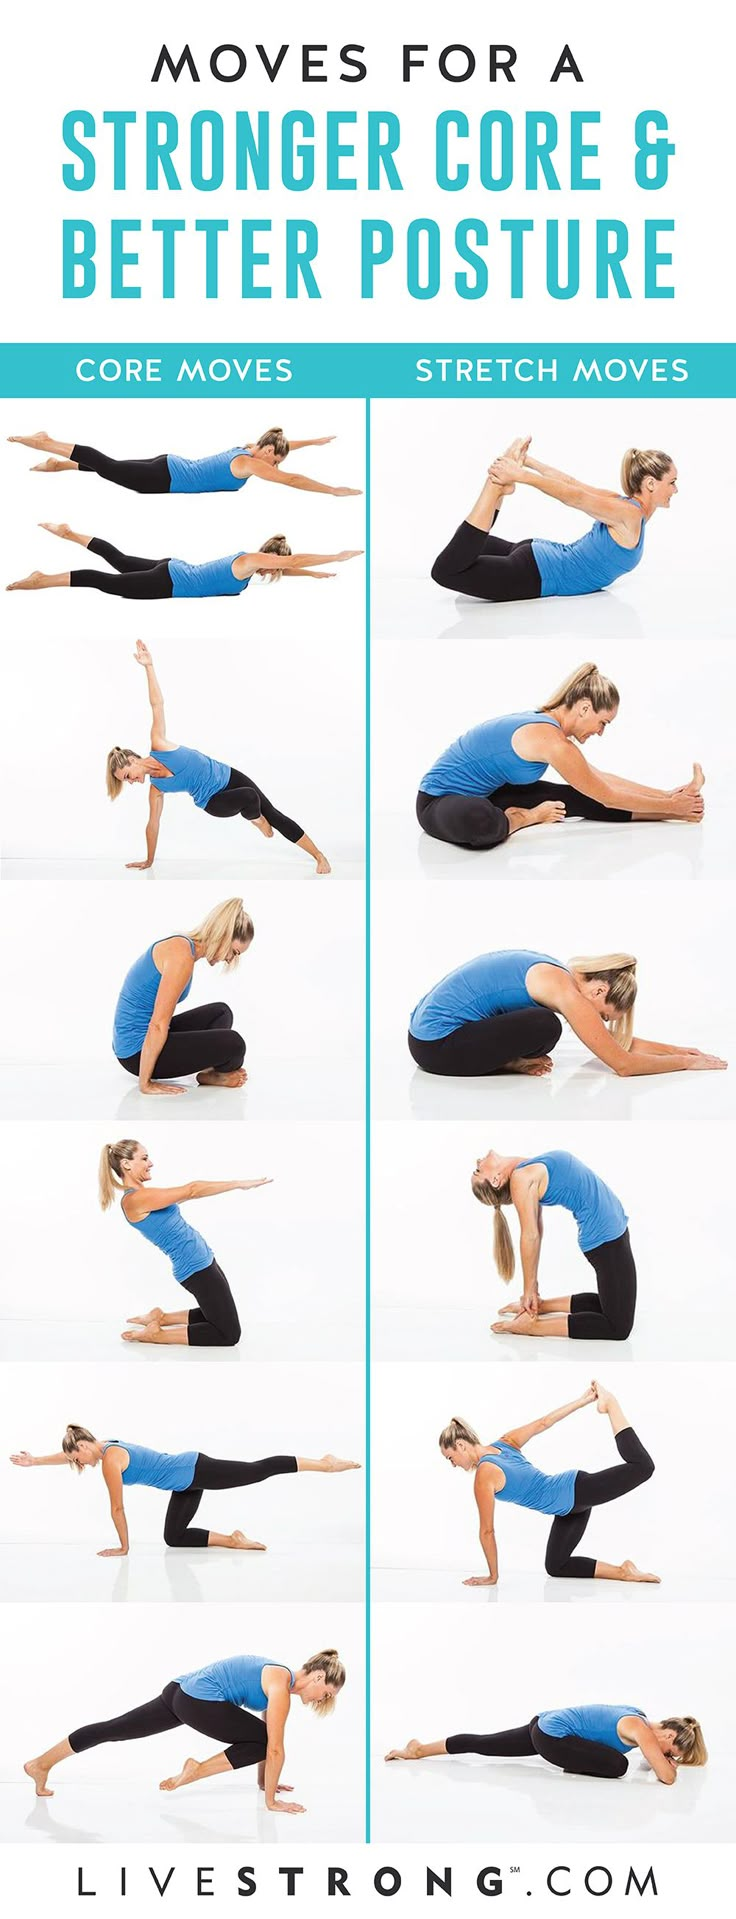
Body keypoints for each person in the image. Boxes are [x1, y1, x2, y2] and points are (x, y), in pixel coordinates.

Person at [416, 662, 704, 850]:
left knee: (577, 797)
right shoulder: (551, 741)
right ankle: (525, 818)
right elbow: (608, 796)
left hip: (491, 793)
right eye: (603, 722)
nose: (601, 732)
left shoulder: (552, 731)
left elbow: (599, 781)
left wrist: (669, 799)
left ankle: (674, 811)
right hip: (438, 801)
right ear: (584, 708)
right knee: (481, 822)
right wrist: (673, 805)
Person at [24, 1649, 346, 1813]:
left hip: (177, 1692)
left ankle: (40, 1763)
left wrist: (264, 1783)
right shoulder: (279, 1685)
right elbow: (273, 1747)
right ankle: (196, 1770)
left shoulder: (278, 1679)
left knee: (115, 1728)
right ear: (317, 1678)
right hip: (195, 1701)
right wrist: (272, 1802)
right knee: (266, 1741)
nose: (323, 1700)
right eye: (327, 1693)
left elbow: (263, 1736)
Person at [108, 642, 331, 875]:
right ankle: (256, 819)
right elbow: (153, 825)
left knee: (273, 813)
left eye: (127, 776)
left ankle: (318, 855)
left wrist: (149, 666)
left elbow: (157, 704)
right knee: (250, 798)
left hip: (227, 775)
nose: (131, 781)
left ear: (132, 760)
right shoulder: (156, 788)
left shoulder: (159, 744)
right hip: (213, 801)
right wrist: (149, 860)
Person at [439, 1380, 657, 1584]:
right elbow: (544, 1422)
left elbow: (487, 1531)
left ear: (461, 1445)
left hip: (573, 1492)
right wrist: (581, 1401)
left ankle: (611, 1404)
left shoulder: (484, 1475)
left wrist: (492, 1576)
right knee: (556, 1565)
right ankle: (624, 1571)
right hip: (567, 1507)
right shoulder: (504, 1443)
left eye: (451, 1457)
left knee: (643, 1467)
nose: (453, 1464)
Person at [11, 1426, 359, 1554]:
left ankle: (324, 1463)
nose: (80, 1464)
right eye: (76, 1460)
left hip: (195, 1469)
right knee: (174, 1537)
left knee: (257, 1471)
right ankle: (234, 1540)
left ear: (86, 1444)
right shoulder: (100, 1444)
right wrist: (36, 1461)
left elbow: (117, 1508)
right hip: (184, 1483)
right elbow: (66, 1452)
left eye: (79, 1458)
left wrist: (123, 1546)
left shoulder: (110, 1461)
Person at [407, 948, 727, 1079]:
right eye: (603, 1015)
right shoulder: (565, 992)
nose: (599, 1024)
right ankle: (507, 1063)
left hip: (426, 1037)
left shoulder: (557, 973)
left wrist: (676, 1049)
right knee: (545, 1026)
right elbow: (622, 1064)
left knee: (543, 1029)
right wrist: (685, 1064)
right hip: (438, 1047)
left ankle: (507, 1062)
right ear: (599, 991)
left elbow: (612, 1042)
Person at [430, 437, 675, 604]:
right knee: (446, 571)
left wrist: (529, 463)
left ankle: (500, 488)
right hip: (538, 574)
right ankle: (494, 488)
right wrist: (522, 474)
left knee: (462, 552)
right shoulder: (630, 514)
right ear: (651, 483)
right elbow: (575, 496)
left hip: (537, 555)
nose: (675, 489)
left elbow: (572, 484)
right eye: (672, 482)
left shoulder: (622, 506)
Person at [99, 1137, 265, 1346]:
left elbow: (188, 1195)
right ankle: (156, 1335)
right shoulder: (135, 1200)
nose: (150, 1163)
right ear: (126, 1164)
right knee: (228, 1334)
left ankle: (162, 1318)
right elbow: (192, 1189)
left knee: (216, 1316)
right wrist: (238, 1184)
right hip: (195, 1268)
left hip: (203, 1260)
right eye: (144, 1158)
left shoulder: (144, 1195)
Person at [472, 1145, 636, 1340]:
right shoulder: (521, 1179)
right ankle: (533, 1326)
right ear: (496, 1180)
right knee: (617, 1327)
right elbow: (530, 1235)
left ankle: (543, 1307)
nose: (478, 1162)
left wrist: (531, 1298)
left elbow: (537, 1230)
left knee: (611, 1306)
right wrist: (529, 1290)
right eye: (478, 1170)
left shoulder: (523, 1169)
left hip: (609, 1231)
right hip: (605, 1238)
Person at [112, 896, 252, 1094]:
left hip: (142, 1039)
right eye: (234, 952)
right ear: (224, 936)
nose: (230, 959)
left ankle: (207, 1074)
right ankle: (210, 1074)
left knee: (221, 1012)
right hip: (136, 1052)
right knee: (234, 1044)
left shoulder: (184, 947)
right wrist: (145, 1084)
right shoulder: (181, 957)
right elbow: (158, 1024)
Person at [7, 524, 363, 599]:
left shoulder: (253, 566)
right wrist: (336, 556)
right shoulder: (251, 560)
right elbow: (290, 560)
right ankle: (42, 579)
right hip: (168, 583)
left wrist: (313, 575)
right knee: (107, 582)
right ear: (270, 557)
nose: (275, 572)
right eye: (277, 566)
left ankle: (72, 534)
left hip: (173, 568)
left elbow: (290, 566)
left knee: (118, 559)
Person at [8, 425, 362, 499]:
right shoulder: (252, 465)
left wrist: (311, 442)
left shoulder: (249, 447)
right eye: (273, 457)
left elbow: (280, 445)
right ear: (266, 452)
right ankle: (47, 443)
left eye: (276, 459)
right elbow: (292, 480)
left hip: (169, 466)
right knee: (110, 467)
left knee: (112, 467)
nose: (274, 463)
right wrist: (331, 490)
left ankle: (62, 465)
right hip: (166, 478)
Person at [386, 1708, 707, 1784]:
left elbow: (655, 1763)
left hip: (545, 1725)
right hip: (553, 1738)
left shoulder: (638, 1719)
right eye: (672, 1752)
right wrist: (667, 1765)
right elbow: (667, 1777)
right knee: (618, 1766)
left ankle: (417, 1749)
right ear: (668, 1736)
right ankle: (569, 1764)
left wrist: (661, 1761)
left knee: (484, 1744)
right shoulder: (641, 1728)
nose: (667, 1756)